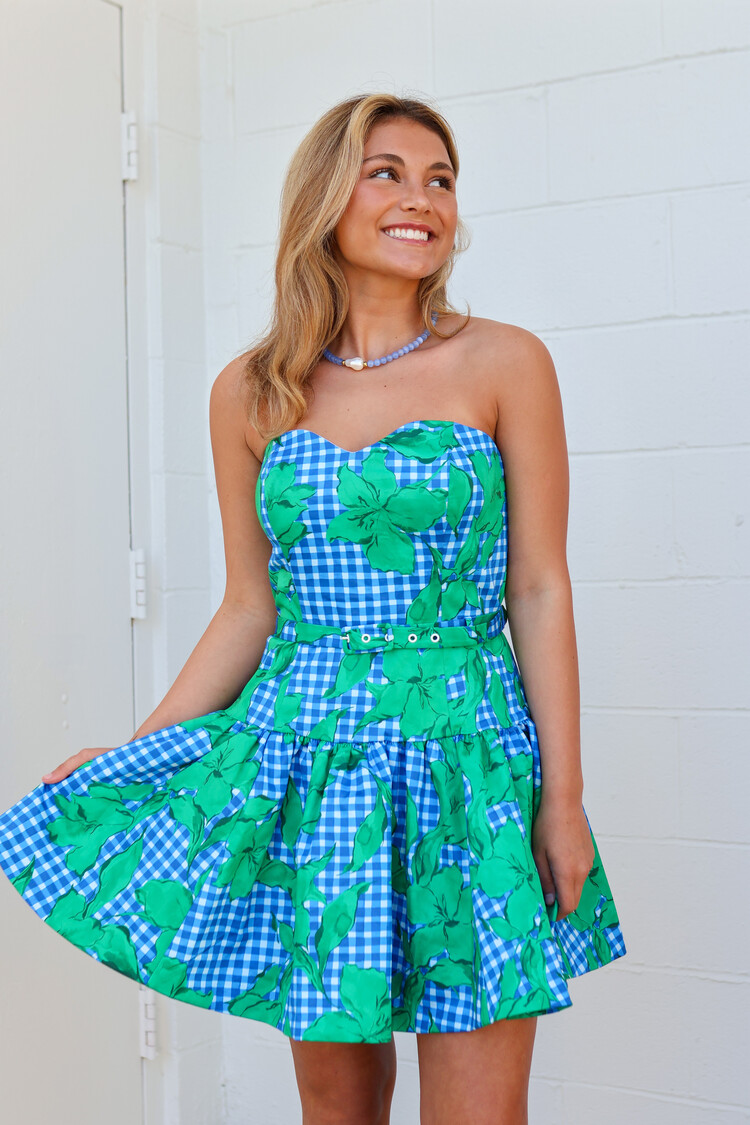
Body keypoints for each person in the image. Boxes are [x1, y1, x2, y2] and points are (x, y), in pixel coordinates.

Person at [0, 93, 626, 1125]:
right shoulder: (251, 390)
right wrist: (139, 750)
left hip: (469, 762)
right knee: (338, 1108)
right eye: (388, 173)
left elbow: (539, 586)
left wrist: (563, 797)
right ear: (326, 198)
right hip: (313, 767)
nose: (422, 198)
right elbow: (251, 608)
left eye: (440, 179)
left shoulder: (506, 362)